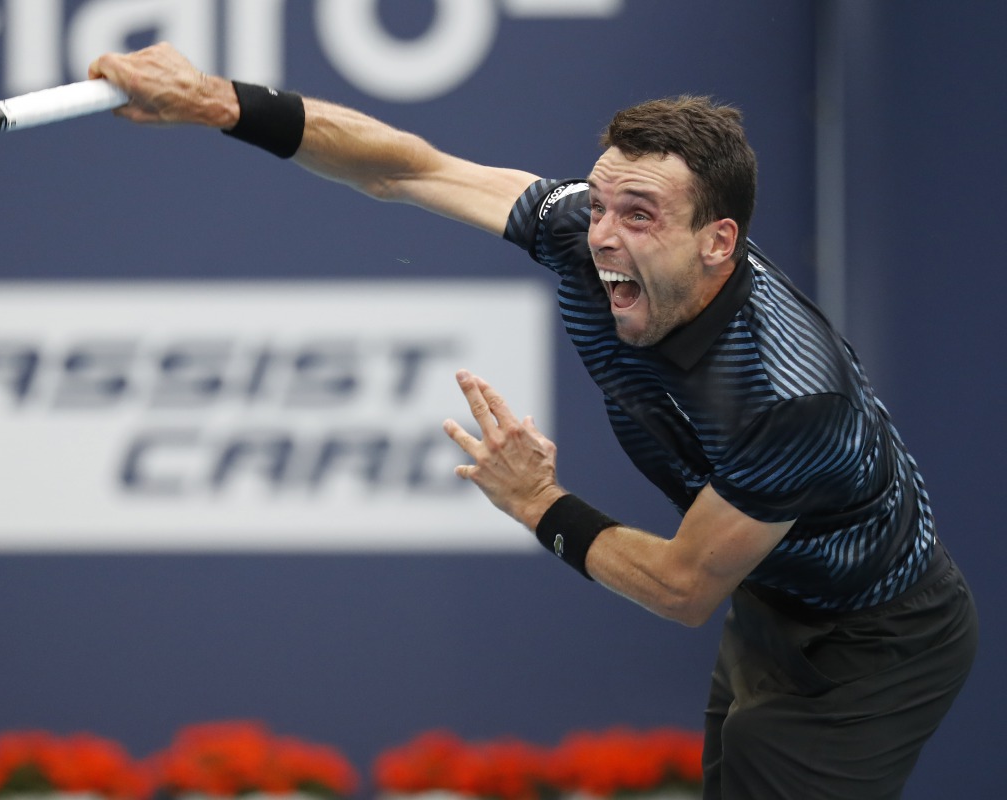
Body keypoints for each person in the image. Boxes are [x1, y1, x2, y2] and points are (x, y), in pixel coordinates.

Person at [88, 42, 978, 799]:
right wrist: (218, 101)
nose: (601, 235)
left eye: (640, 215)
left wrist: (538, 504)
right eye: (599, 204)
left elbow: (679, 588)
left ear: (719, 242)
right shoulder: (582, 238)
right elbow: (407, 166)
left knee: (760, 762)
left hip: (878, 638)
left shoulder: (789, 399)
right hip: (773, 592)